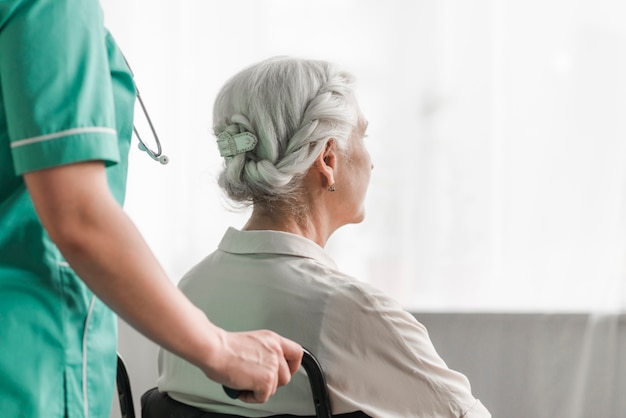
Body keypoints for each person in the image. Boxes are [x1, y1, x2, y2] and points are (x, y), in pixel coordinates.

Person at [0, 1, 303, 417]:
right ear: (326, 158)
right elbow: (78, 217)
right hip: (26, 357)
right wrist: (222, 350)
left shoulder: (199, 282)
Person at [156, 56, 491, 417]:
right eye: (363, 135)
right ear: (328, 160)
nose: (372, 160)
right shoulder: (355, 313)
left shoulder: (187, 295)